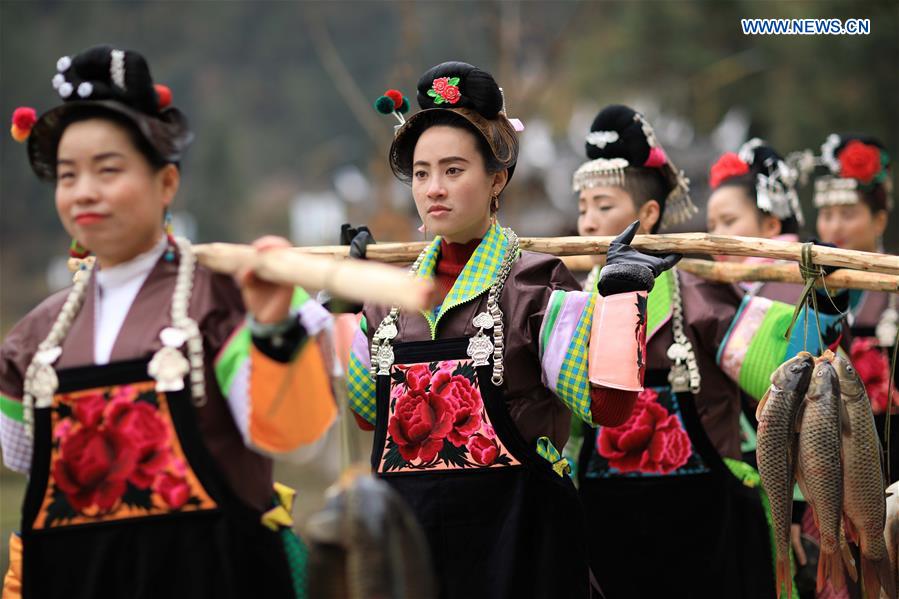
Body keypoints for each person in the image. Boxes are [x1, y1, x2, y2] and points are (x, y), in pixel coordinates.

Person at [0, 46, 337, 599]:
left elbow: (294, 438)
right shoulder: (33, 339)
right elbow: (20, 457)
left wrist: (273, 326)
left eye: (108, 170)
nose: (85, 190)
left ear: (166, 184)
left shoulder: (224, 300)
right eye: (68, 175)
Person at [343, 62, 680, 599]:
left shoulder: (536, 285)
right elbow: (365, 413)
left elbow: (608, 408)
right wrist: (344, 304)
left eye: (454, 171)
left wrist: (620, 301)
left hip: (523, 555)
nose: (434, 189)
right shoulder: (388, 300)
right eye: (423, 172)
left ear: (496, 178)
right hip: (414, 565)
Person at [571, 105, 845, 598]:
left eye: (604, 207)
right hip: (604, 523)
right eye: (583, 207)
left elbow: (779, 369)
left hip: (706, 521)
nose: (589, 223)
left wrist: (824, 299)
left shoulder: (695, 293)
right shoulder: (571, 304)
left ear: (647, 215)